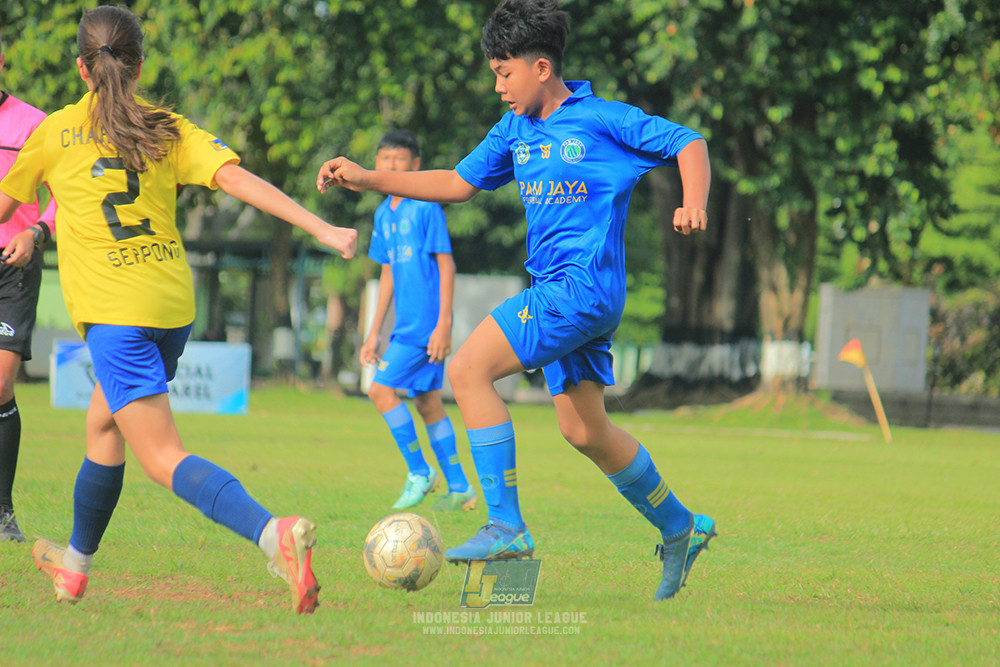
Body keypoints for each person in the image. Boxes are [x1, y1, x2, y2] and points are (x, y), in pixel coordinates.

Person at [319, 0, 714, 601]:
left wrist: (693, 201)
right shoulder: (515, 130)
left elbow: (690, 142)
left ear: (540, 66)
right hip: (559, 294)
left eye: (504, 73)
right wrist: (369, 179)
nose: (498, 86)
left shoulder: (603, 119)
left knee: (467, 369)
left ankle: (506, 525)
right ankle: (680, 526)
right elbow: (455, 183)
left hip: (579, 291)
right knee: (584, 431)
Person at [0, 5, 357, 613]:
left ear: (81, 68)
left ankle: (275, 535)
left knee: (163, 457)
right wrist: (320, 227)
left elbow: (6, 209)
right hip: (171, 304)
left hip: (118, 316)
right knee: (102, 423)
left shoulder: (54, 132)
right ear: (139, 65)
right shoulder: (165, 126)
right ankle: (75, 568)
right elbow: (239, 181)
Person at [360, 129, 477, 512]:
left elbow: (447, 265)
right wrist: (373, 332)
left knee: (380, 391)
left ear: (415, 165)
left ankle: (419, 472)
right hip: (403, 325)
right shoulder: (382, 213)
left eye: (398, 159)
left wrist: (443, 324)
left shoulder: (426, 206)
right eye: (383, 158)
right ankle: (460, 487)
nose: (389, 165)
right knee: (427, 402)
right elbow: (388, 272)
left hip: (424, 325)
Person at [0, 30, 59, 544]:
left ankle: (2, 512)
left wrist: (36, 230)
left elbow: (64, 193)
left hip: (13, 263)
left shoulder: (34, 123)